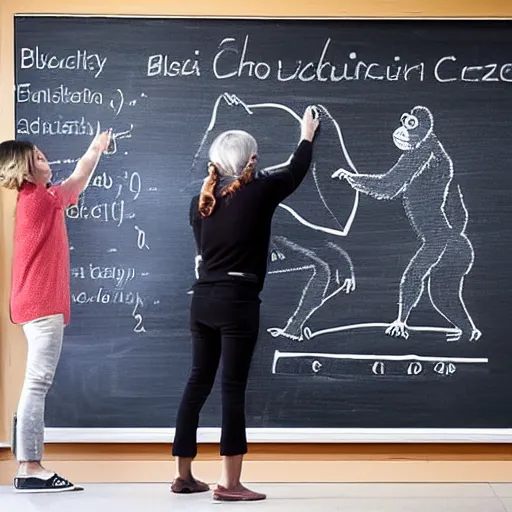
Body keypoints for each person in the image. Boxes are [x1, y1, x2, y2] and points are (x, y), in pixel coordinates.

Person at [171, 106, 320, 501]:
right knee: (232, 388)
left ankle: (183, 476)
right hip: (238, 301)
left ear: (215, 163)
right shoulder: (259, 191)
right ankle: (230, 484)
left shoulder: (199, 201)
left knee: (197, 382)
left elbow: (205, 250)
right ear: (251, 160)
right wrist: (306, 135)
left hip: (201, 300)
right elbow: (295, 171)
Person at [0, 128, 111, 492]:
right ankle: (30, 467)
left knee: (35, 382)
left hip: (32, 302)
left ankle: (26, 465)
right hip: (41, 303)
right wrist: (95, 149)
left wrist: (95, 149)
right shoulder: (41, 200)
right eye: (41, 157)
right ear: (26, 169)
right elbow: (77, 179)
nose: (48, 159)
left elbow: (76, 179)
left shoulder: (36, 198)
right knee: (37, 383)